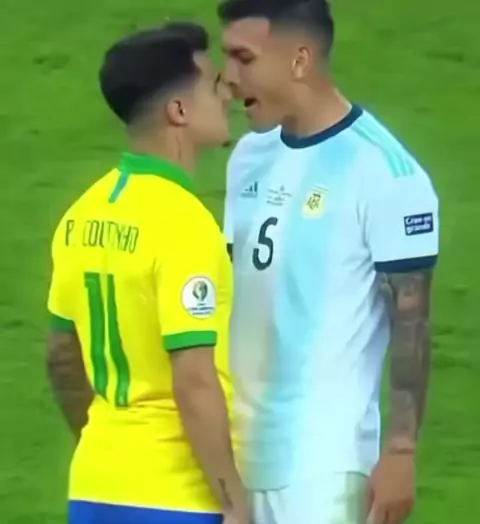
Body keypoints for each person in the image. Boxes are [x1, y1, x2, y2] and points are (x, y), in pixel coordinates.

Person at [217, 0, 439, 523]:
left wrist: (401, 451)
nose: (228, 79)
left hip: (323, 467)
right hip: (234, 458)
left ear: (299, 60)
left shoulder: (386, 174)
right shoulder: (248, 157)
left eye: (244, 58)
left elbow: (412, 320)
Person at [46, 22, 247, 524]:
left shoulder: (81, 214)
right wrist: (233, 502)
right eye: (212, 85)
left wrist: (104, 444)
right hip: (174, 498)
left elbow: (61, 356)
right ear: (178, 111)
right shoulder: (184, 223)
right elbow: (194, 380)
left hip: (94, 488)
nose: (227, 93)